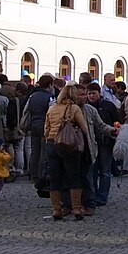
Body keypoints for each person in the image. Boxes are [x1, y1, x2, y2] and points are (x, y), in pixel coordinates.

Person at [44, 84, 89, 220]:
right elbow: (85, 128)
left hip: (52, 143)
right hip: (69, 145)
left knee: (55, 177)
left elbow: (46, 129)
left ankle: (57, 209)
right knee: (73, 176)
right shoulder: (74, 108)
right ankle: (76, 208)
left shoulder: (52, 109)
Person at [85, 83, 118, 206]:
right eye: (89, 93)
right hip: (91, 143)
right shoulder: (85, 107)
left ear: (99, 93)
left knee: (105, 171)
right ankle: (92, 195)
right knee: (92, 171)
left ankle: (102, 197)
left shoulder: (108, 106)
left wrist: (115, 130)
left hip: (105, 143)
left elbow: (117, 121)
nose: (91, 96)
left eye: (93, 93)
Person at [26, 74, 56, 180]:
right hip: (44, 126)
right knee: (44, 151)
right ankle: (40, 174)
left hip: (33, 124)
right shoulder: (50, 97)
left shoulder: (33, 96)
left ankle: (32, 173)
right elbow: (52, 113)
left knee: (34, 151)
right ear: (50, 84)